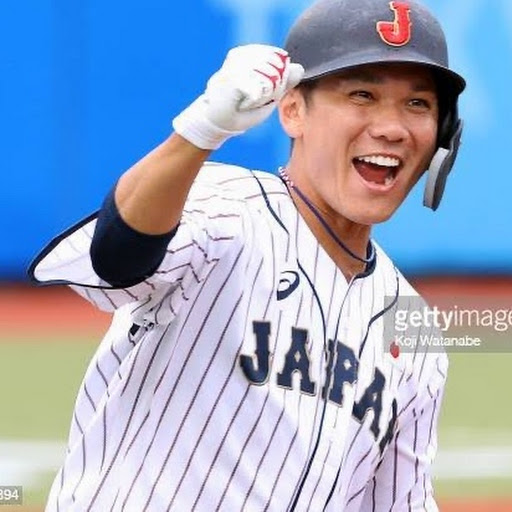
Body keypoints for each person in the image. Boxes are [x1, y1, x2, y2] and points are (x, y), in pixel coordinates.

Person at [29, 0, 466, 509]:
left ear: (442, 137)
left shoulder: (412, 332)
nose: (391, 127)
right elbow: (118, 257)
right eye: (362, 95)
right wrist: (200, 131)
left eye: (417, 104)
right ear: (293, 109)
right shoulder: (222, 212)